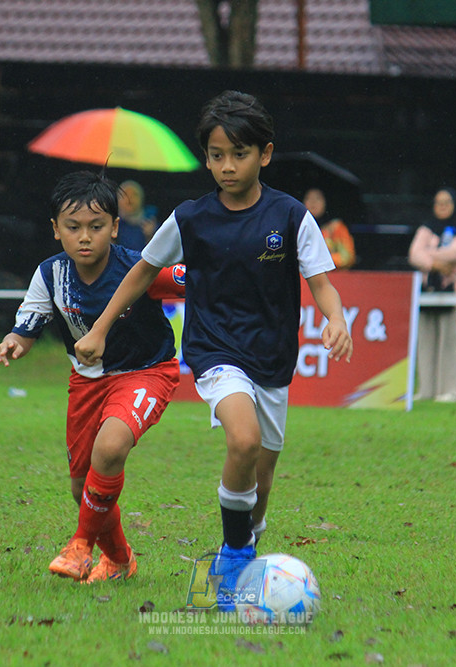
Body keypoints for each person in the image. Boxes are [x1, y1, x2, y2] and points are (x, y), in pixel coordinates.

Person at [74, 91, 353, 609]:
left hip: (271, 359)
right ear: (206, 157)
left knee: (262, 476)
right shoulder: (191, 217)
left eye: (239, 154)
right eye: (217, 155)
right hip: (214, 350)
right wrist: (100, 330)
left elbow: (321, 281)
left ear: (265, 154)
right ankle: (234, 556)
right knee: (242, 442)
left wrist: (335, 318)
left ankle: (245, 538)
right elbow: (141, 271)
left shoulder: (291, 216)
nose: (227, 166)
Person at [0, 170, 184, 584]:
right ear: (55, 230)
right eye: (73, 227)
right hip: (87, 382)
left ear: (115, 228)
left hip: (145, 372)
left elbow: (186, 279)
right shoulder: (50, 276)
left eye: (96, 227)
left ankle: (80, 546)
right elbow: (27, 327)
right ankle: (118, 560)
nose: (85, 237)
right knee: (82, 488)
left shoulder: (138, 268)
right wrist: (13, 341)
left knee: (110, 447)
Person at [408, 187, 456, 402]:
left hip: (453, 295)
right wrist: (435, 263)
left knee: (452, 342)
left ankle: (453, 389)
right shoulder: (426, 228)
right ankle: (427, 389)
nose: (442, 206)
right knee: (426, 343)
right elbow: (413, 254)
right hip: (427, 294)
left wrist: (427, 255)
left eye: (447, 202)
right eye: (438, 202)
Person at [302, 187, 355, 269]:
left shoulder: (336, 227)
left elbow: (346, 258)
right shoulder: (297, 227)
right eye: (308, 198)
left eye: (318, 198)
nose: (313, 202)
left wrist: (319, 260)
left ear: (326, 202)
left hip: (332, 278)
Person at [116, 180, 157, 251]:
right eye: (125, 195)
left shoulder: (151, 222)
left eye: (134, 195)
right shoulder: (112, 223)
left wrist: (151, 236)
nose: (129, 199)